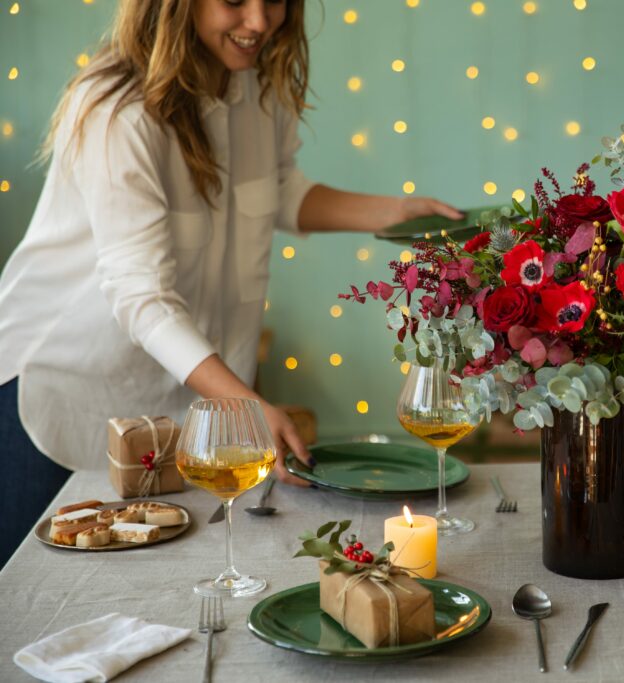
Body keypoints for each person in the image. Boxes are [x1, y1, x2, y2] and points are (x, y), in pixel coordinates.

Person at [0, 0, 461, 566]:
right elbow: (141, 298)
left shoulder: (255, 87)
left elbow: (276, 191)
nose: (261, 23)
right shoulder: (118, 111)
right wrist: (245, 405)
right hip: (62, 391)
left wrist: (395, 213)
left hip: (188, 399)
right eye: (235, 2)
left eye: (275, 2)